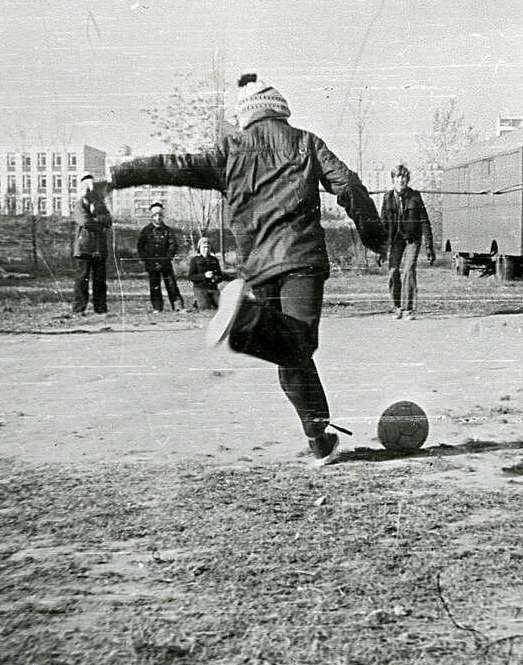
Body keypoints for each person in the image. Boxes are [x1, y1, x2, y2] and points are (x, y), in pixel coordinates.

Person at [108, 73, 386, 465]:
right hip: (301, 259)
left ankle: (319, 439)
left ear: (246, 117)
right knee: (299, 344)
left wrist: (124, 173)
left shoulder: (230, 149)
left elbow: (177, 165)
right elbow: (350, 186)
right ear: (281, 110)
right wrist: (374, 235)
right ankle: (246, 319)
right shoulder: (306, 142)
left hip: (258, 264)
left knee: (291, 353)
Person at [378, 164, 435, 319]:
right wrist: (380, 248)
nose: (401, 180)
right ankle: (397, 306)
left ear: (407, 179)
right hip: (396, 240)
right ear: (393, 179)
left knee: (409, 270)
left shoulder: (415, 197)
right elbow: (383, 223)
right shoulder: (388, 198)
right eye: (398, 177)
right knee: (393, 271)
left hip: (412, 239)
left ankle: (407, 308)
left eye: (404, 177)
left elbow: (424, 221)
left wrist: (429, 246)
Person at [71, 173, 111, 315]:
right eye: (87, 186)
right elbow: (84, 221)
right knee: (82, 280)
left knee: (100, 281)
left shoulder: (100, 204)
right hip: (84, 247)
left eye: (92, 185)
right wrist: (100, 224)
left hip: (99, 248)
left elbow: (108, 220)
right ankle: (78, 309)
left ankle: (100, 308)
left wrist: (97, 217)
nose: (90, 189)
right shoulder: (79, 203)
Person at [137, 202, 185, 312]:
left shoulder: (167, 230)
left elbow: (173, 245)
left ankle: (178, 306)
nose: (157, 218)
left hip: (165, 263)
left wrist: (167, 258)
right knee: (154, 285)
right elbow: (140, 246)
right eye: (155, 215)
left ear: (163, 216)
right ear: (151, 216)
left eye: (160, 215)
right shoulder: (146, 231)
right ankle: (157, 307)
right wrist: (146, 259)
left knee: (171, 284)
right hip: (152, 263)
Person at [187, 236, 226, 311]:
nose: (206, 250)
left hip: (213, 288)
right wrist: (204, 276)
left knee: (221, 307)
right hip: (200, 288)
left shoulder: (214, 260)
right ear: (199, 248)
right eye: (204, 247)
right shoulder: (194, 260)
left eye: (208, 247)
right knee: (204, 308)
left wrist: (216, 278)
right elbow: (191, 277)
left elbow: (220, 276)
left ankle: (210, 300)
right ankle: (197, 302)